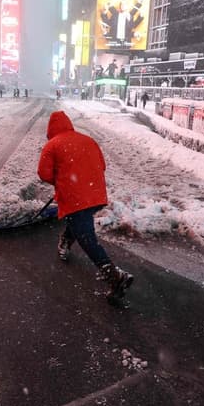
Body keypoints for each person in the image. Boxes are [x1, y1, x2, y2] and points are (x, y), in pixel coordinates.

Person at [37, 111, 134, 304]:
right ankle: (64, 242)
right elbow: (102, 166)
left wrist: (62, 179)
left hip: (75, 198)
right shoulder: (88, 140)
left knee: (87, 238)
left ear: (51, 128)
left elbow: (44, 174)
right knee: (77, 223)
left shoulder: (52, 145)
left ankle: (114, 275)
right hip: (95, 195)